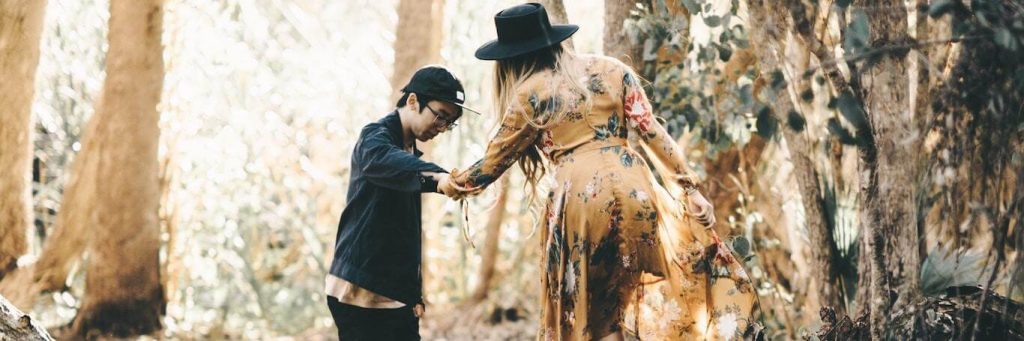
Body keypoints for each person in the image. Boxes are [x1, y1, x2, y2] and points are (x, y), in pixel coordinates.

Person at [438, 3, 756, 340]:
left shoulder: (529, 94)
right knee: (620, 307)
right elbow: (652, 133)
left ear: (511, 57)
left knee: (597, 322)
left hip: (582, 204)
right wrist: (689, 189)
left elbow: (490, 165)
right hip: (637, 190)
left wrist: (449, 183)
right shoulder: (612, 70)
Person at [326, 65, 478, 340]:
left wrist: (413, 295)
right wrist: (439, 179)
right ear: (412, 101)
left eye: (450, 122)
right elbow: (384, 160)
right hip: (360, 292)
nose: (442, 128)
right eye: (440, 117)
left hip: (392, 295)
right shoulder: (374, 138)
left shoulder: (409, 153)